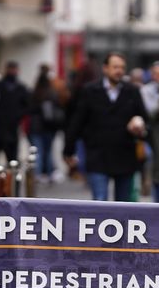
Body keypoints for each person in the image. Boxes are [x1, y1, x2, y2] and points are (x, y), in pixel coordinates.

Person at [63, 52, 148, 201]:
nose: (119, 71)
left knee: (123, 205)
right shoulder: (90, 91)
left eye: (122, 67)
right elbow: (77, 121)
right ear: (105, 68)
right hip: (98, 156)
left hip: (124, 156)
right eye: (115, 67)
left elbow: (145, 121)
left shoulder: (132, 91)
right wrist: (68, 150)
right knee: (100, 203)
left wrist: (140, 128)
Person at [29, 64, 66, 182]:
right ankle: (49, 173)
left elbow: (29, 109)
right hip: (49, 127)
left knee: (38, 152)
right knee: (48, 151)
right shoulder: (52, 92)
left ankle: (38, 174)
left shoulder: (35, 93)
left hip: (36, 126)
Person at [0, 61, 29, 163]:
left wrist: (18, 116)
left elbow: (27, 106)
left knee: (12, 160)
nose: (13, 71)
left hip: (12, 129)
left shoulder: (21, 88)